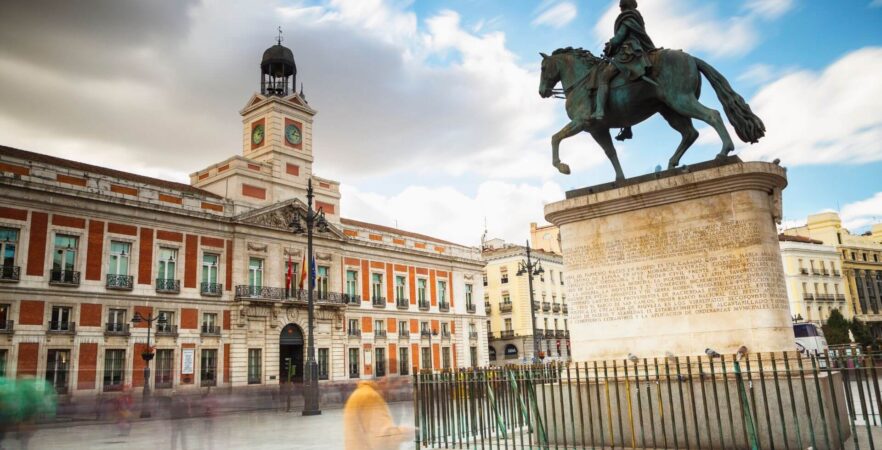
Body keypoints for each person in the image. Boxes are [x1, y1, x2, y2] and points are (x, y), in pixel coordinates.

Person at [592, 0, 657, 141]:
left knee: (604, 77)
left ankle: (599, 111)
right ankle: (627, 127)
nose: (620, 7)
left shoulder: (627, 17)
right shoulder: (636, 15)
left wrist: (610, 45)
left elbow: (620, 37)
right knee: (624, 85)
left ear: (624, 5)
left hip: (628, 52)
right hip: (636, 50)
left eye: (621, 4)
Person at [343, 377, 412, 450]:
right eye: (396, 388)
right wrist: (406, 433)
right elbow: (381, 439)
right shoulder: (371, 397)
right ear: (383, 381)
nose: (396, 393)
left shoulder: (360, 392)